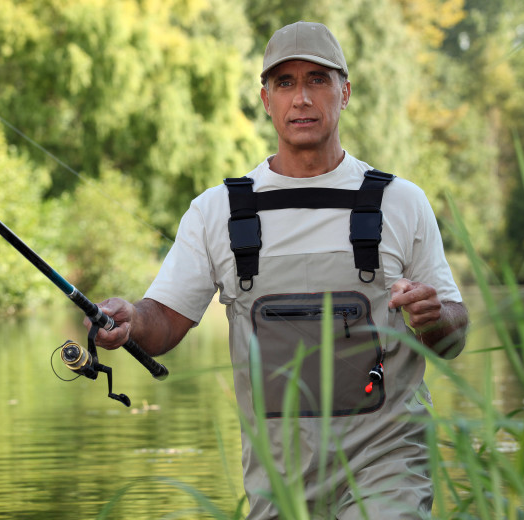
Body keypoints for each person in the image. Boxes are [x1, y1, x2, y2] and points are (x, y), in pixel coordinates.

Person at [90, 21, 469, 519]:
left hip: (387, 464)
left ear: (345, 92)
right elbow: (162, 324)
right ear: (266, 100)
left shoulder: (402, 202)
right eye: (285, 83)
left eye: (317, 79)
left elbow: (453, 336)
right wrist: (130, 320)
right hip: (278, 482)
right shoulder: (216, 211)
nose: (302, 98)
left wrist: (433, 315)